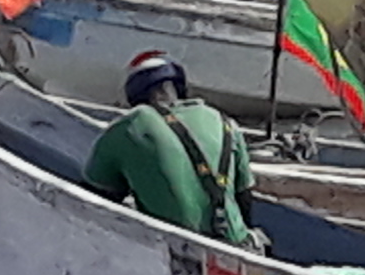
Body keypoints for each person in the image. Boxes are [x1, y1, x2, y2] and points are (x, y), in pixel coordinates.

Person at [82, 50, 255, 246]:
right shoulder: (225, 122)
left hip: (175, 251)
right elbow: (245, 200)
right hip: (238, 247)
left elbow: (92, 205)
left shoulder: (129, 126)